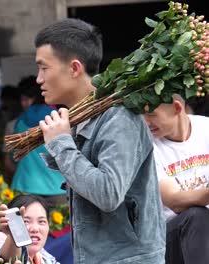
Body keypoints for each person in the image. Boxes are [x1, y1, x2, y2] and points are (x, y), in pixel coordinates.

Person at [35, 19, 165, 263]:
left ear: (74, 68)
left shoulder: (119, 117)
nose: (38, 79)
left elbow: (108, 193)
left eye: (44, 68)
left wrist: (62, 145)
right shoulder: (80, 118)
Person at [143, 94, 209, 264]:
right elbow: (175, 200)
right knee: (196, 215)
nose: (145, 121)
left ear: (177, 107)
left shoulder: (205, 128)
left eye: (151, 114)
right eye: (141, 115)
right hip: (171, 240)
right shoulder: (145, 146)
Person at [11, 77, 66, 207]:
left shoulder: (20, 121)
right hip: (58, 188)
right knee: (60, 227)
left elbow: (14, 156)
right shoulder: (59, 119)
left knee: (28, 227)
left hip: (25, 186)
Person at [0, 194, 59, 264]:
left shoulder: (46, 258)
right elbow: (7, 258)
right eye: (26, 221)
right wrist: (13, 235)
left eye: (42, 221)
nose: (35, 229)